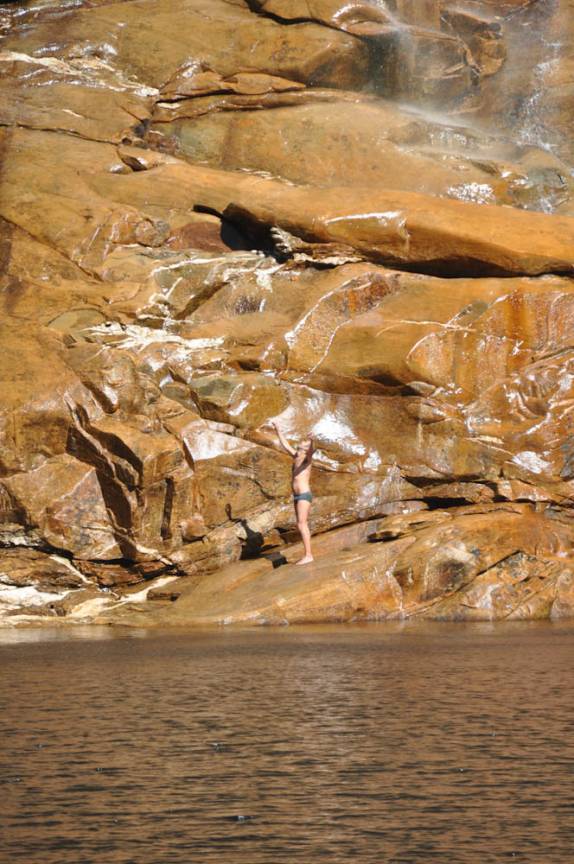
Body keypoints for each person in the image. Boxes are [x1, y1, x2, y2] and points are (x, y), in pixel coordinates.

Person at [272, 421, 315, 565]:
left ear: (306, 448)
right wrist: (278, 429)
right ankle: (307, 554)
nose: (300, 444)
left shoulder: (306, 460)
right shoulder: (296, 456)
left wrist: (312, 441)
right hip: (297, 496)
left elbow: (311, 451)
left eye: (304, 443)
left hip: (304, 495)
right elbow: (285, 444)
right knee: (300, 524)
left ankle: (309, 555)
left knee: (302, 524)